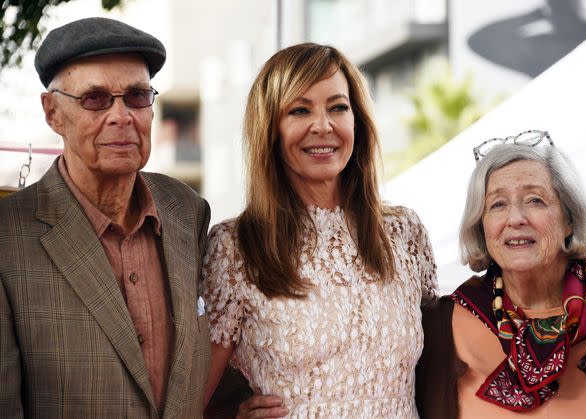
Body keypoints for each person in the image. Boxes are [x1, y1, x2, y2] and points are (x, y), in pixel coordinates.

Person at [200, 42, 439, 418]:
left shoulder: (404, 234)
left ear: (357, 120)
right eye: (300, 110)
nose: (323, 126)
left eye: (338, 107)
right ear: (271, 129)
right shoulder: (236, 247)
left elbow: (439, 367)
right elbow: (190, 399)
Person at [0, 17, 212, 418]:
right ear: (52, 113)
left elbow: (201, 367)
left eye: (136, 96)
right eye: (95, 99)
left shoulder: (186, 210)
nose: (121, 116)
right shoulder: (7, 237)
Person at [416, 130, 586, 418]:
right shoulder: (435, 327)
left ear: (569, 219)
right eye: (498, 204)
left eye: (535, 200)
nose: (515, 219)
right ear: (482, 227)